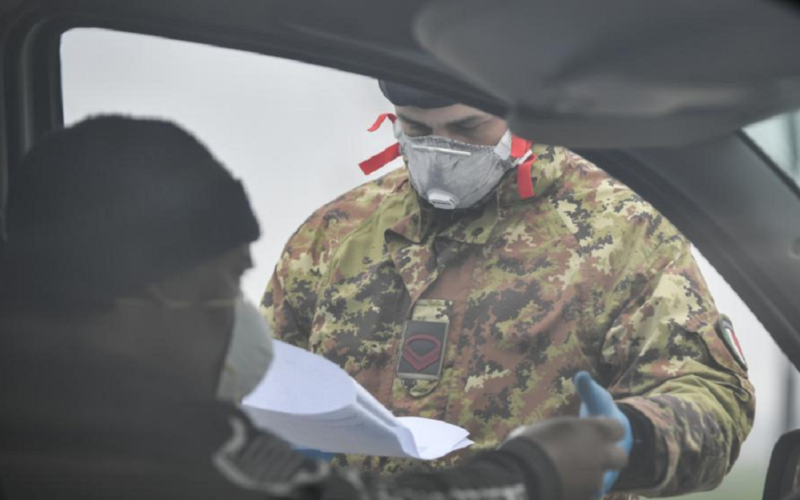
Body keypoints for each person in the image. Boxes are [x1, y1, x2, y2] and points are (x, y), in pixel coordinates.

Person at [0, 115, 627, 500]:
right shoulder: (165, 445)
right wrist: (535, 472)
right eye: (227, 283)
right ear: (157, 289)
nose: (242, 319)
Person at [262, 82, 757, 498]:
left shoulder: (621, 232)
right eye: (416, 130)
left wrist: (632, 437)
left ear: (523, 117)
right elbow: (261, 382)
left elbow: (715, 398)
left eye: (468, 129)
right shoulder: (334, 235)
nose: (441, 150)